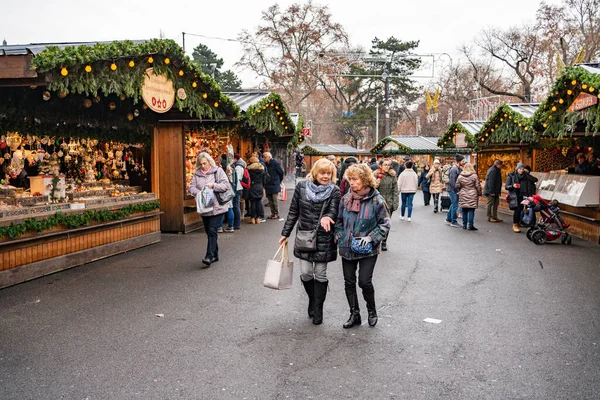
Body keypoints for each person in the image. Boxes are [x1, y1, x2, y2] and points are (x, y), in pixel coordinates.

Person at [279, 158, 341, 325]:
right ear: (315, 172)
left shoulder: (335, 191)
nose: (326, 176)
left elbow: (334, 210)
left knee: (320, 273)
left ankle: (318, 308)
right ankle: (312, 299)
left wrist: (328, 217)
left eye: (329, 173)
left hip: (324, 238)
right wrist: (285, 233)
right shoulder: (301, 187)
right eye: (322, 173)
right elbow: (293, 212)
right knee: (306, 273)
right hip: (305, 237)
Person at [335, 163, 391, 329]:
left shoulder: (377, 200)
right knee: (349, 282)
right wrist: (340, 236)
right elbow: (339, 221)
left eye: (355, 179)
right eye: (350, 179)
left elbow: (385, 224)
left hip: (368, 249)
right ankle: (354, 314)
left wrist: (371, 238)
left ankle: (371, 311)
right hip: (347, 248)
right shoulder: (346, 199)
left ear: (365, 180)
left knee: (364, 282)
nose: (351, 183)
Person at [188, 152, 231, 267]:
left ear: (209, 162)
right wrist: (200, 193)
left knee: (212, 230)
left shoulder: (218, 171)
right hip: (204, 207)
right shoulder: (197, 174)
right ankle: (215, 254)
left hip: (217, 207)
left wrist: (213, 186)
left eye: (205, 163)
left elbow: (226, 185)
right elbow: (191, 187)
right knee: (209, 231)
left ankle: (209, 256)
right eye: (200, 164)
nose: (203, 166)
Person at [374, 158, 398, 251]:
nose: (387, 167)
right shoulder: (375, 175)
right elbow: (371, 188)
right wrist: (376, 183)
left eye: (388, 165)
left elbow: (395, 190)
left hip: (389, 204)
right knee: (376, 223)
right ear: (380, 166)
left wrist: (395, 203)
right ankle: (376, 240)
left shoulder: (393, 176)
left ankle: (384, 242)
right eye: (385, 165)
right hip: (377, 203)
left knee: (386, 224)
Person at [455, 163, 482, 231]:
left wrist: (461, 189)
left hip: (463, 193)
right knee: (471, 210)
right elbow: (477, 186)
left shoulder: (460, 176)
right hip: (472, 194)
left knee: (464, 210)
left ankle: (464, 225)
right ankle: (470, 225)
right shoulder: (474, 176)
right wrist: (479, 193)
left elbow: (457, 185)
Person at [505, 162, 528, 233]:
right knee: (517, 210)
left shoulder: (525, 176)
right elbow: (506, 186)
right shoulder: (511, 176)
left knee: (521, 209)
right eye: (520, 169)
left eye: (522, 169)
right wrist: (513, 186)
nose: (521, 170)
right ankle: (515, 224)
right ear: (517, 168)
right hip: (514, 195)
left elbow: (533, 180)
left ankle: (519, 222)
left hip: (523, 195)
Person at [446, 154, 465, 228]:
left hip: (453, 189)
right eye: (463, 161)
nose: (464, 162)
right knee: (455, 205)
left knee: (453, 204)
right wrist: (456, 190)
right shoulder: (454, 169)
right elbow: (452, 181)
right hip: (453, 190)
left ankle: (448, 218)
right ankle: (453, 221)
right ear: (459, 161)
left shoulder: (458, 168)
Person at [263, 152, 284, 219]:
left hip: (274, 183)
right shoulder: (265, 164)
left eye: (265, 157)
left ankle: (276, 213)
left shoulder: (275, 163)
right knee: (270, 200)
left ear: (269, 157)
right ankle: (273, 213)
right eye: (263, 157)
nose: (264, 159)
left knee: (274, 200)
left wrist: (279, 181)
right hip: (268, 183)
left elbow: (281, 173)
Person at [247, 156, 267, 224]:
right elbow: (265, 180)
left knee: (253, 203)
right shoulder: (262, 169)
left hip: (252, 187)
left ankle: (252, 218)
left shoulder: (249, 170)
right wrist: (264, 187)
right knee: (258, 202)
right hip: (260, 187)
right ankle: (257, 218)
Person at [217, 165, 235, 233]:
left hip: (222, 193)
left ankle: (219, 227)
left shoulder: (221, 174)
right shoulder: (231, 173)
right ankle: (231, 226)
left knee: (221, 210)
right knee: (229, 208)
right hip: (229, 193)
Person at [231, 154, 246, 229]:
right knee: (236, 205)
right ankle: (236, 223)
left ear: (235, 159)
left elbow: (236, 179)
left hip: (237, 188)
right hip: (238, 187)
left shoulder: (238, 167)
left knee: (235, 205)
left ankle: (237, 223)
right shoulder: (239, 165)